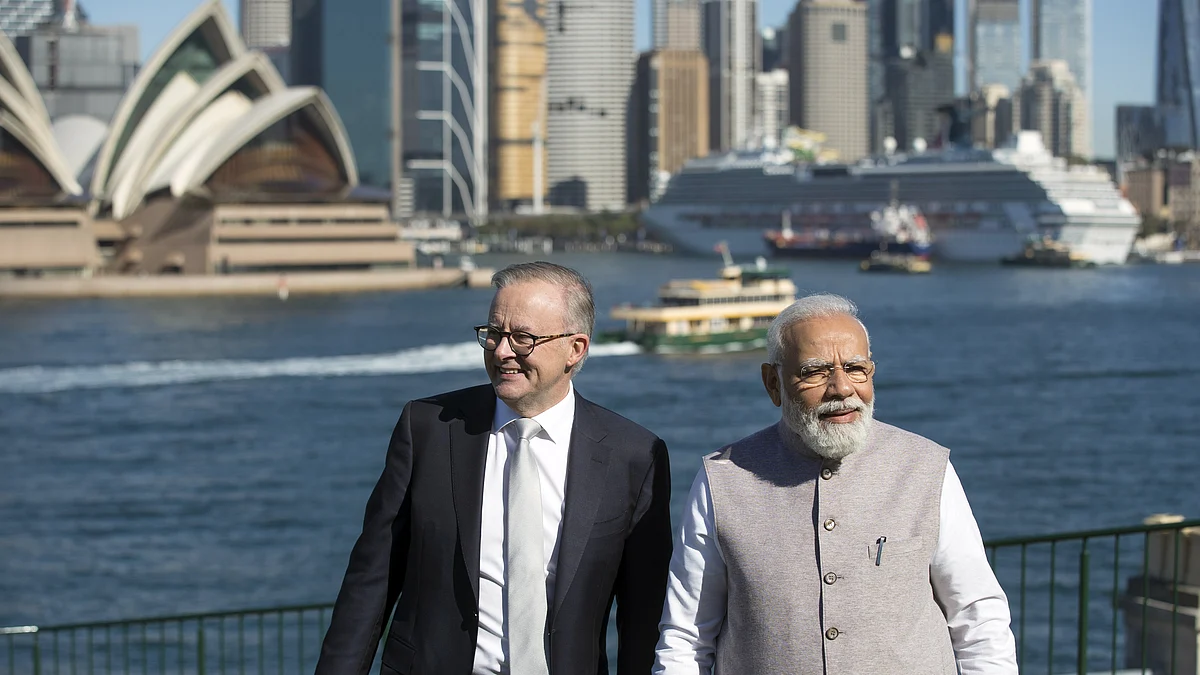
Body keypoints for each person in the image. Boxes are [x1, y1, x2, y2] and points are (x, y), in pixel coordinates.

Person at [316, 261, 672, 675]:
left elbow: (644, 617)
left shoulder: (634, 456)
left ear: (575, 349)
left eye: (523, 338)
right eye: (494, 333)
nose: (502, 351)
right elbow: (371, 582)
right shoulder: (427, 428)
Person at [654, 293, 1018, 674]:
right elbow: (686, 638)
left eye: (856, 368)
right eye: (815, 372)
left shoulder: (927, 469)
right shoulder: (722, 480)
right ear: (773, 384)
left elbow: (979, 619)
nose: (842, 388)